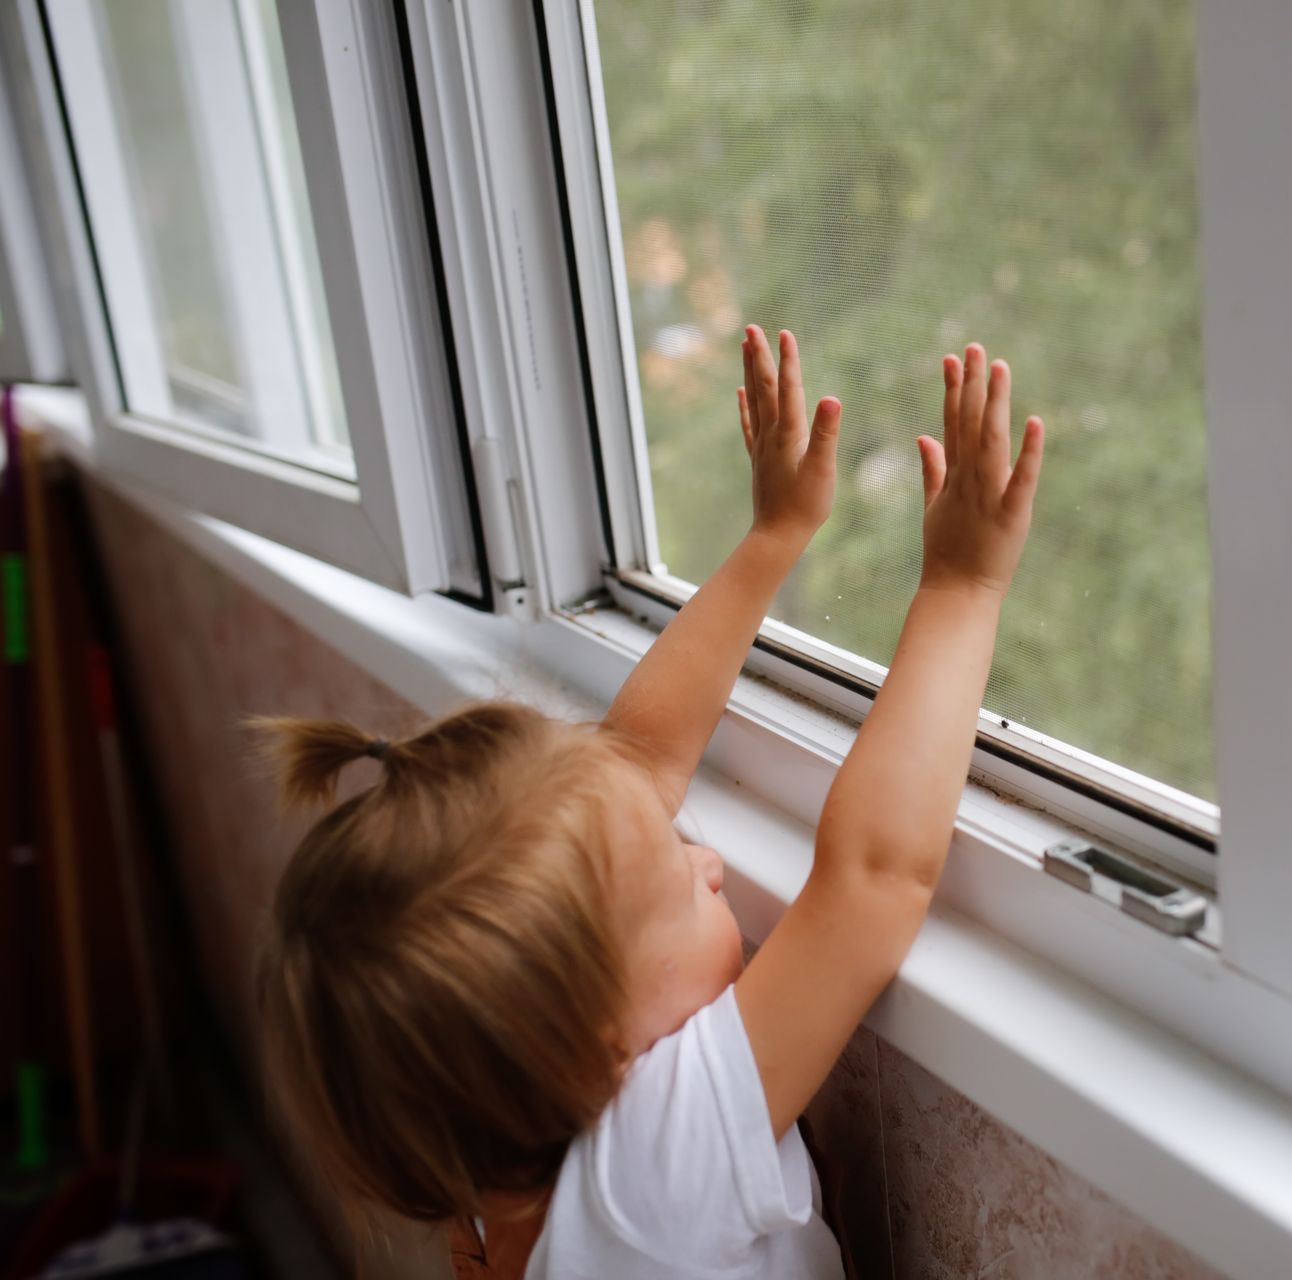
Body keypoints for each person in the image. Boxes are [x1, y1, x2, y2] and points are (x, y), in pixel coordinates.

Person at [253, 326, 1045, 1278]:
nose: (710, 863)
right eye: (685, 884)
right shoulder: (646, 1181)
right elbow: (872, 878)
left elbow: (633, 764)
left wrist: (771, 540)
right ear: (599, 1049)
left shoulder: (499, 1197)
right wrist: (963, 587)